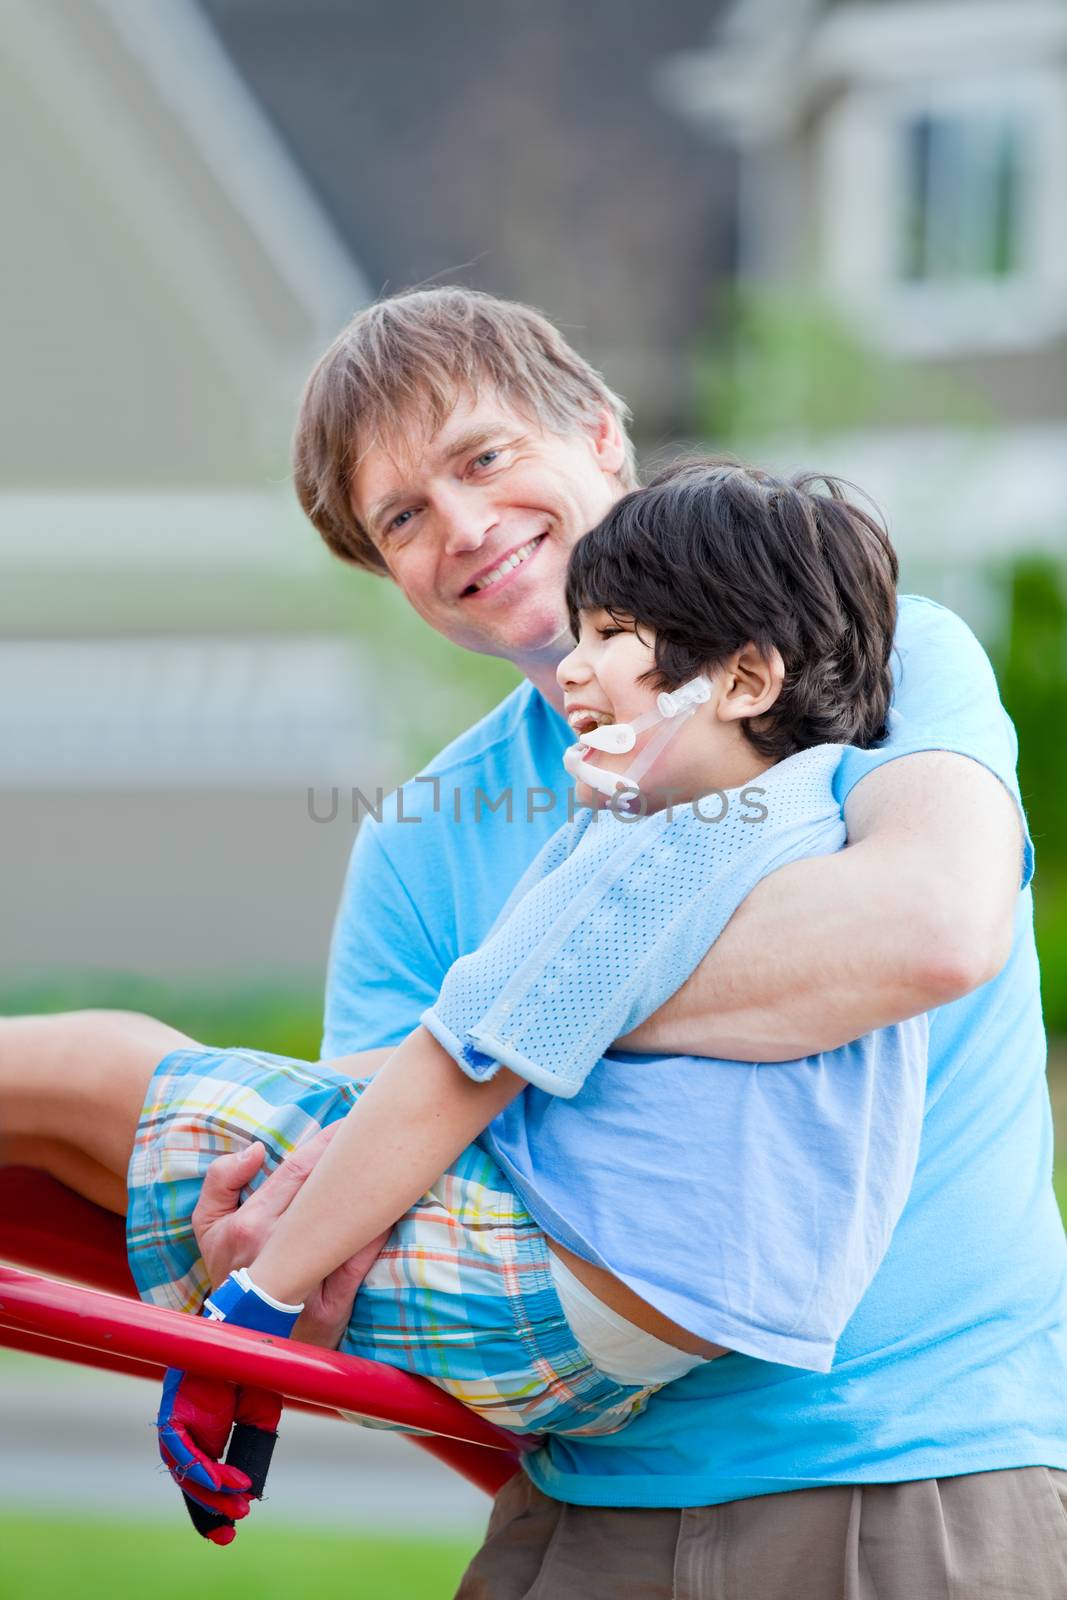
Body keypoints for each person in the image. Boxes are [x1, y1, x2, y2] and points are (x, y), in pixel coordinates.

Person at [4, 288, 1065, 1598]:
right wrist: (280, 1268)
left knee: (94, 1078)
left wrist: (521, 1025)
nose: (461, 526)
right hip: (586, 1494)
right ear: (385, 571)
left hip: (911, 1479)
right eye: (401, 516)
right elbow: (396, 1187)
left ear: (603, 438)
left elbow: (932, 927)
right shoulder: (422, 839)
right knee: (87, 1127)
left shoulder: (861, 662)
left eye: (485, 456)